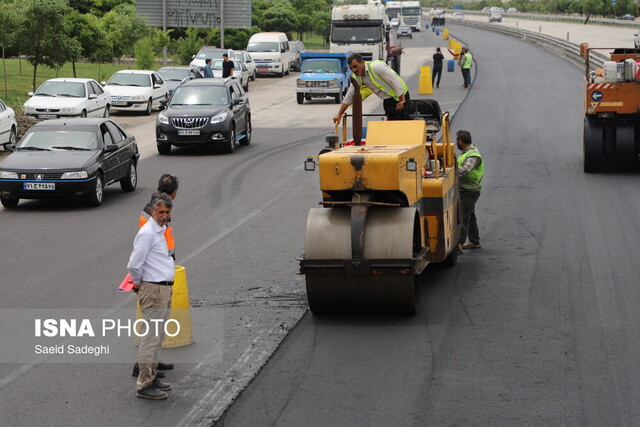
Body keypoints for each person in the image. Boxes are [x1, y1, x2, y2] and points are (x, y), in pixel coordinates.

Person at [128, 194, 176, 400]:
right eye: (161, 212)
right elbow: (134, 265)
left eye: (167, 212)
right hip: (153, 290)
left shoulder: (160, 230)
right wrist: (139, 285)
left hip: (163, 288)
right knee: (150, 339)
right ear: (152, 211)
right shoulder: (147, 233)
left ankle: (152, 375)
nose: (164, 216)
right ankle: (144, 384)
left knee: (157, 338)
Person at [132, 174, 180, 379]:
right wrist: (138, 282)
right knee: (151, 331)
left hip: (160, 272)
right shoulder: (153, 218)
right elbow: (138, 258)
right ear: (175, 192)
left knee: (156, 329)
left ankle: (151, 364)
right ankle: (143, 372)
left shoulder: (156, 208)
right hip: (153, 279)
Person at [333, 53, 410, 123]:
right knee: (391, 124)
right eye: (351, 68)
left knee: (403, 123)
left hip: (401, 96)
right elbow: (349, 96)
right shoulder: (357, 77)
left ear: (362, 62)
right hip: (388, 100)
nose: (354, 70)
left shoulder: (377, 67)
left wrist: (402, 101)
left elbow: (395, 82)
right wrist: (339, 114)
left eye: (355, 66)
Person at [456, 130, 484, 253]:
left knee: (463, 215)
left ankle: (459, 243)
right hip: (464, 189)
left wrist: (449, 173)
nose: (456, 142)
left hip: (470, 191)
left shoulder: (473, 155)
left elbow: (465, 170)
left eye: (457, 140)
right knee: (470, 215)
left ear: (460, 141)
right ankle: (475, 241)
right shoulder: (465, 153)